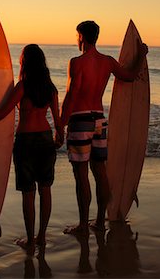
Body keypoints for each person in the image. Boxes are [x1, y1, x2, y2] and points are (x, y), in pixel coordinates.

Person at [0, 44, 63, 255]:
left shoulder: (23, 87)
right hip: (46, 141)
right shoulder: (50, 88)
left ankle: (30, 240)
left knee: (28, 193)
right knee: (45, 190)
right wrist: (59, 138)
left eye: (21, 57)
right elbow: (57, 121)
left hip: (26, 143)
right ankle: (42, 237)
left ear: (25, 61)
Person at [60, 21, 148, 235]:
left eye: (77, 35)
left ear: (81, 36)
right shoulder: (107, 62)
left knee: (81, 175)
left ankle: (82, 225)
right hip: (100, 119)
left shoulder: (76, 62)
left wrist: (60, 125)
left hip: (80, 120)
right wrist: (141, 55)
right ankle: (100, 221)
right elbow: (130, 76)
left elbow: (72, 94)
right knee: (100, 172)